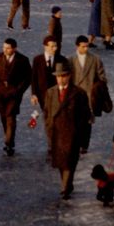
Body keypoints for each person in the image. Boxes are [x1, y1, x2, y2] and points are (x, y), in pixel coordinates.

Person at [43, 62, 91, 199]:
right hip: (56, 132)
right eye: (58, 76)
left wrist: (83, 139)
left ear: (69, 76)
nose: (61, 79)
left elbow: (85, 116)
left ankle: (65, 187)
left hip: (72, 133)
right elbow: (47, 112)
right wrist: (49, 127)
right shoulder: (51, 92)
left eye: (63, 76)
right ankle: (67, 184)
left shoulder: (78, 93)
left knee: (69, 162)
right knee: (60, 163)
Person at [0, 37, 32, 156]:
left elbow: (28, 77)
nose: (5, 50)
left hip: (14, 94)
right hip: (0, 93)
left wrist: (19, 90)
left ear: (14, 49)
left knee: (11, 117)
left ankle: (9, 142)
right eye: (4, 47)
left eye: (8, 48)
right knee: (3, 116)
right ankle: (8, 136)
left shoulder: (22, 60)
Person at [68, 35, 109, 155]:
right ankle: (76, 144)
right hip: (74, 96)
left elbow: (103, 77)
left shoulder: (95, 59)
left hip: (89, 96)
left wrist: (97, 86)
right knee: (74, 122)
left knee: (87, 123)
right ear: (77, 46)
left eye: (87, 46)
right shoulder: (70, 60)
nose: (86, 49)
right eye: (83, 46)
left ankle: (84, 146)